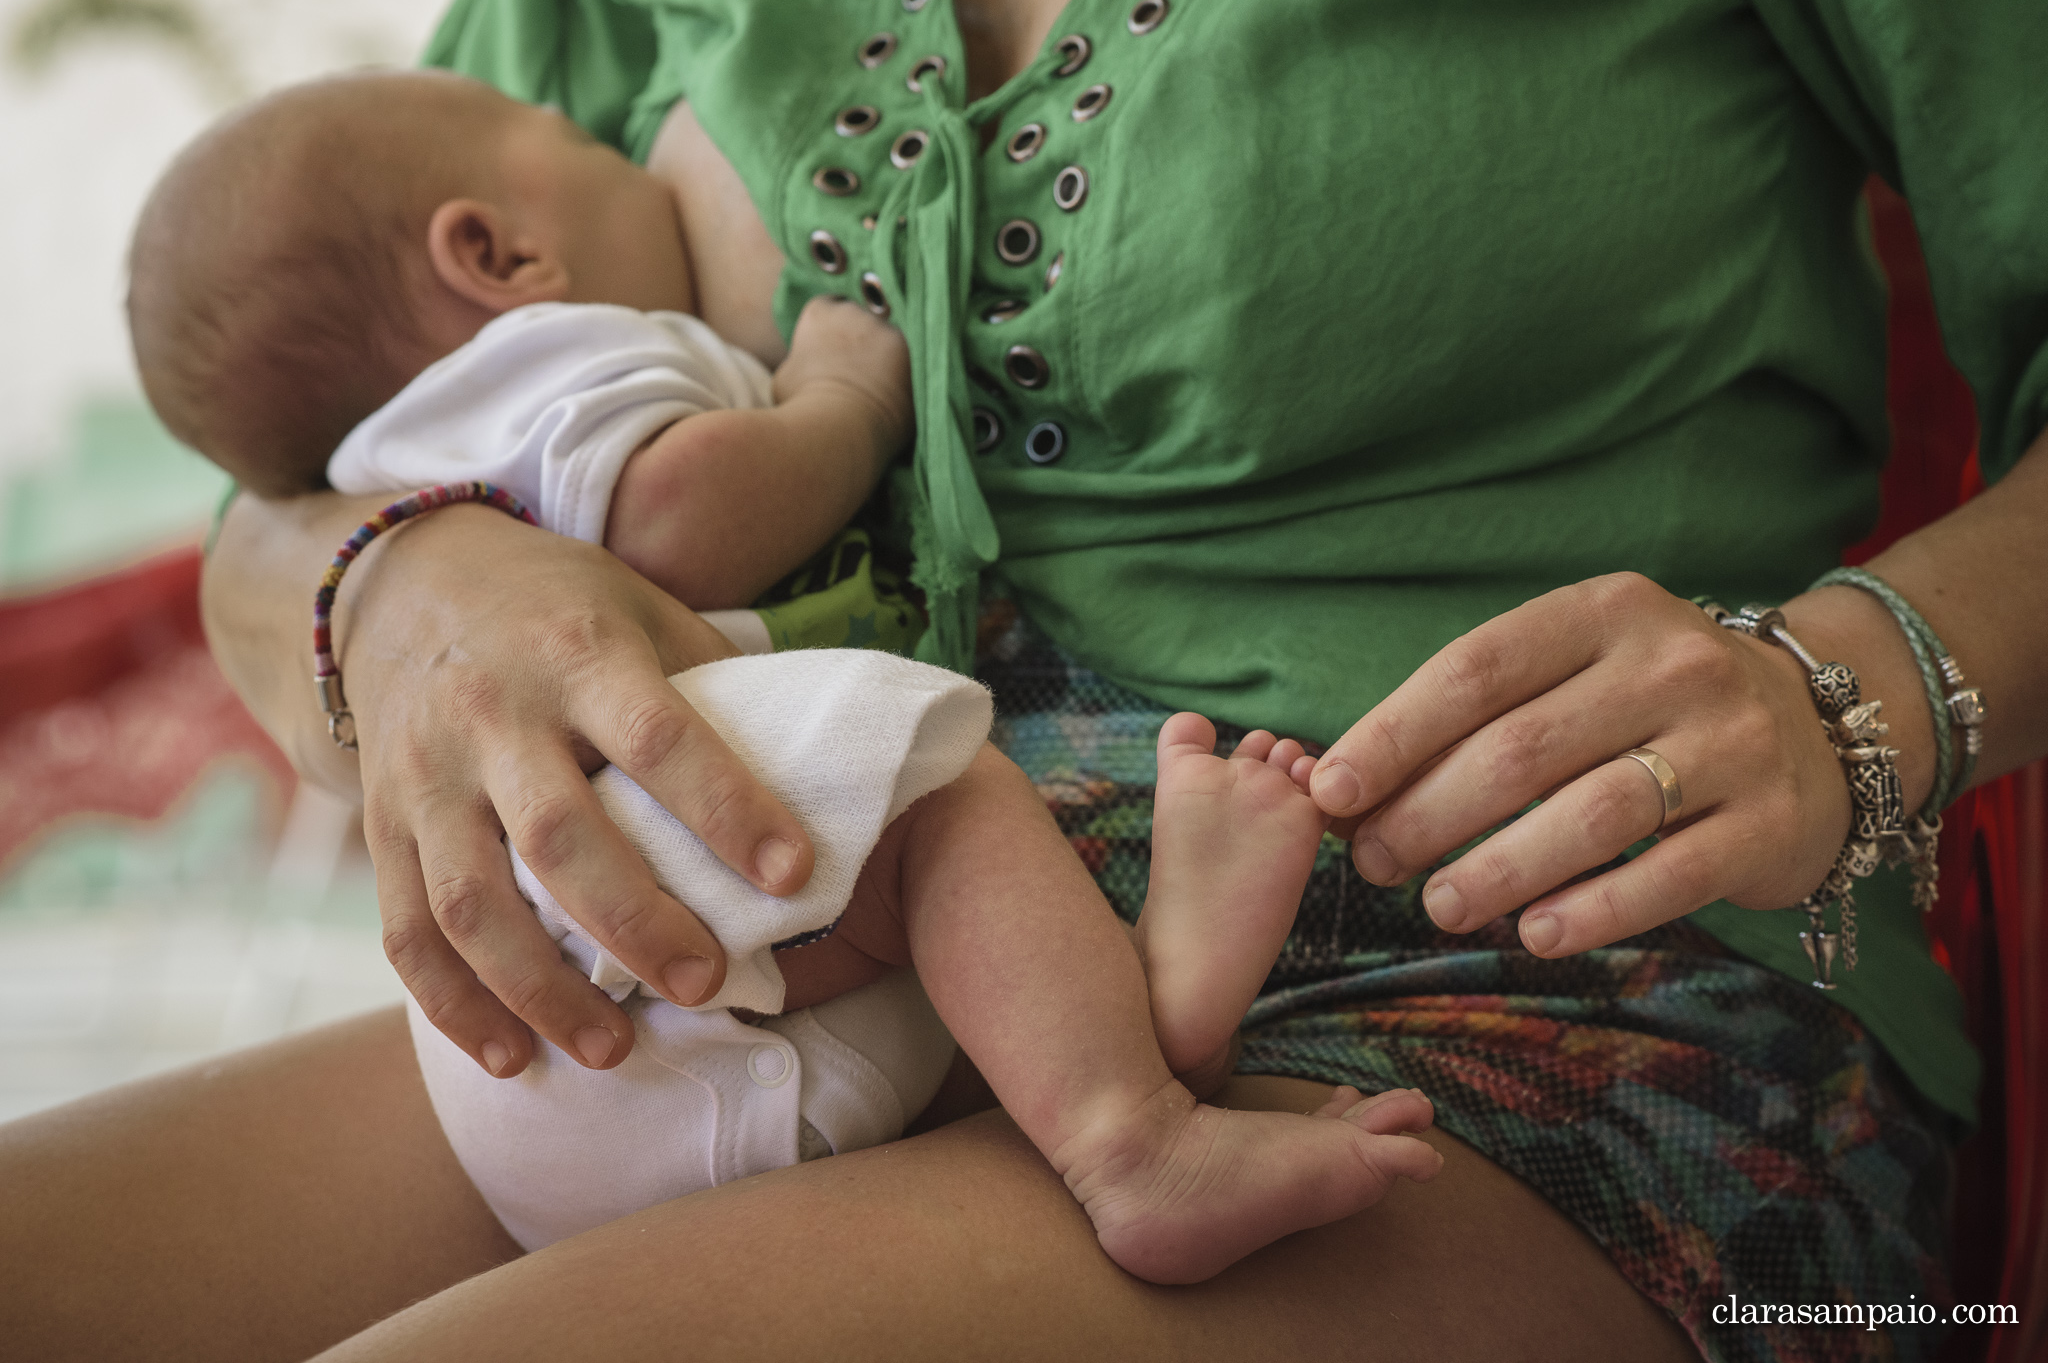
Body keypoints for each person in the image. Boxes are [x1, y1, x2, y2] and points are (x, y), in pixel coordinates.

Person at [2, 0, 2043, 1358]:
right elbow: (278, 482)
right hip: (817, 958)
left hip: (1543, 971)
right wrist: (399, 581)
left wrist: (1865, 677)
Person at [118, 69, 1447, 1277]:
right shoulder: (553, 359)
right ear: (498, 250)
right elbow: (668, 519)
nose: (636, 164)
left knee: (922, 934)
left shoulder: (387, 451)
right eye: (582, 139)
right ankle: (1132, 1136)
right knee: (937, 800)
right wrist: (841, 404)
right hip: (640, 872)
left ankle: (1160, 1018)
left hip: (543, 1076)